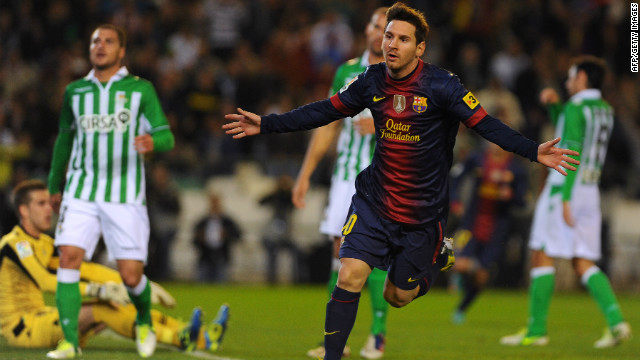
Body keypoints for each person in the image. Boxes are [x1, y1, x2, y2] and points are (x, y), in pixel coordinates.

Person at [222, 3, 579, 359]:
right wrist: (266, 123)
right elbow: (324, 110)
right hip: (374, 203)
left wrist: (534, 151)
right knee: (348, 276)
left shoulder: (443, 86)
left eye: (403, 39)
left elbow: (486, 124)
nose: (391, 44)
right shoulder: (371, 80)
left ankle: (439, 257)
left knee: (397, 296)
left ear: (419, 47)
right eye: (389, 36)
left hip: (422, 216)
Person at [46, 24, 175, 358]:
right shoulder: (75, 91)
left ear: (121, 52)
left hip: (124, 195)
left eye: (108, 41)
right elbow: (64, 140)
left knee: (131, 276)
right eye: (94, 41)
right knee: (69, 256)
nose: (99, 45)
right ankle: (70, 342)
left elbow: (167, 136)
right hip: (80, 190)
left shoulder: (140, 90)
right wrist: (53, 185)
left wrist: (152, 141)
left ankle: (144, 319)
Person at [0, 179, 229, 355]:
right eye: (40, 204)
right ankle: (180, 338)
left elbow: (85, 271)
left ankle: (201, 336)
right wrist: (97, 290)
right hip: (22, 328)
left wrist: (134, 284)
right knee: (102, 308)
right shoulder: (16, 244)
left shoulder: (45, 243)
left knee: (118, 301)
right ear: (23, 211)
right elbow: (46, 281)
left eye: (48, 203)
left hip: (43, 317)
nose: (49, 209)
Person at [500, 55, 631, 348]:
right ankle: (616, 322)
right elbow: (580, 136)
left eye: (572, 76)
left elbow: (571, 149)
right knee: (582, 260)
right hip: (591, 189)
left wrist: (566, 197)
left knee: (540, 253)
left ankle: (536, 330)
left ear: (583, 78)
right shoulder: (605, 110)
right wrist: (555, 106)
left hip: (566, 189)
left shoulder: (576, 106)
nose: (568, 81)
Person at [290, 7, 390, 359]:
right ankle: (337, 340)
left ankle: (377, 335)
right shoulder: (347, 71)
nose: (381, 34)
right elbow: (329, 123)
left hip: (382, 177)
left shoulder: (403, 77)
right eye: (378, 26)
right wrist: (305, 173)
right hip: (345, 176)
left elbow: (423, 126)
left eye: (388, 29)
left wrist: (382, 124)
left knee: (373, 256)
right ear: (367, 29)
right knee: (340, 252)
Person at [448, 140, 528, 324]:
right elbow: (456, 176)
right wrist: (455, 200)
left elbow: (523, 201)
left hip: (498, 229)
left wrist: (512, 196)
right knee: (458, 263)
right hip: (472, 222)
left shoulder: (516, 168)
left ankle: (462, 308)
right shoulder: (477, 158)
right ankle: (459, 277)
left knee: (482, 277)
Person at [193, 192, 242, 282]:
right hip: (205, 256)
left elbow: (238, 235)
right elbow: (194, 239)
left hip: (222, 256)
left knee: (221, 282)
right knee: (202, 283)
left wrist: (227, 235)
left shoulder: (228, 221)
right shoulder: (202, 221)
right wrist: (200, 238)